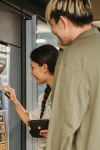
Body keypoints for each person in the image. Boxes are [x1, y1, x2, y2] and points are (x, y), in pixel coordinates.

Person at [45, 0, 100, 150]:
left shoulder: (71, 57)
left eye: (51, 24)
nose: (53, 32)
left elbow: (63, 127)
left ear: (62, 21)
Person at [1, 44, 58, 150]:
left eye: (33, 68)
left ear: (44, 68)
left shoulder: (66, 94)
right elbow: (30, 120)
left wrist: (56, 135)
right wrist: (14, 100)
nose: (31, 73)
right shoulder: (45, 96)